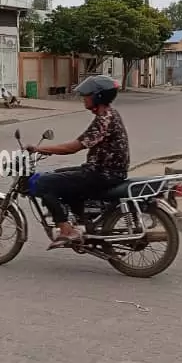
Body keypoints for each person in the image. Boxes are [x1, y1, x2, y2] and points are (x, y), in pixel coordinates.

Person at [25, 75, 129, 248]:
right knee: (58, 175)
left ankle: (67, 231)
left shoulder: (104, 119)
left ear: (98, 96)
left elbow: (74, 147)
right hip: (105, 171)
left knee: (44, 183)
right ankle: (81, 221)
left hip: (102, 174)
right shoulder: (109, 113)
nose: (83, 98)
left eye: (87, 95)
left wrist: (40, 149)